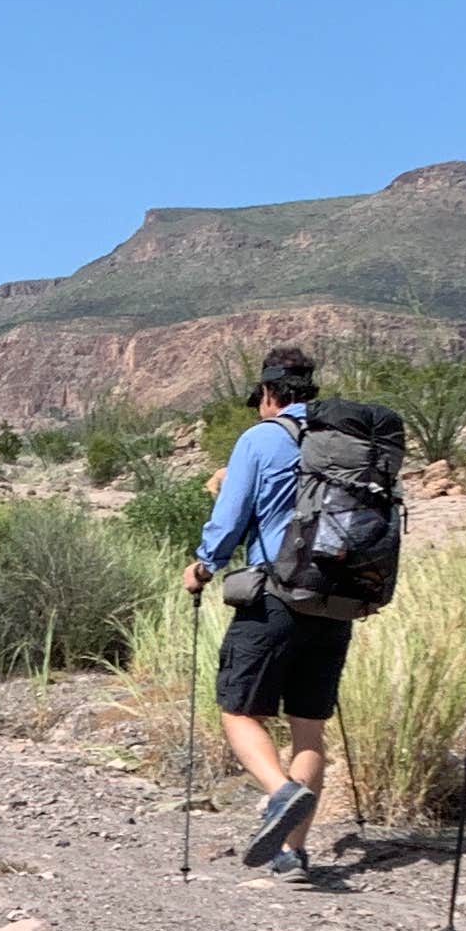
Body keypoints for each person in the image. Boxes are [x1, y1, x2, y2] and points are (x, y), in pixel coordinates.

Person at [183, 345, 350, 876]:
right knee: (309, 730)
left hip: (275, 597)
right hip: (335, 601)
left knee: (238, 710)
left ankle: (279, 793)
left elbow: (230, 519)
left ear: (270, 395)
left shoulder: (262, 437)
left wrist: (203, 568)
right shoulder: (342, 440)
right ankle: (292, 852)